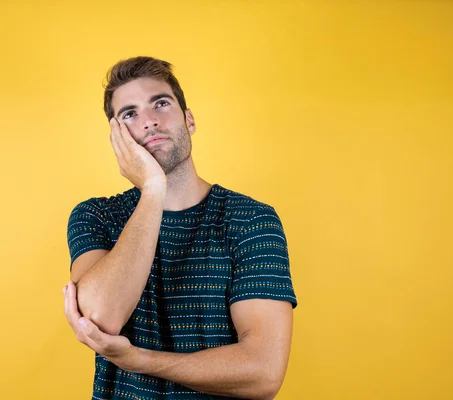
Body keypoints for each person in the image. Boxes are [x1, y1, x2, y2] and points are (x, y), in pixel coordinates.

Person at [63, 56, 298, 400]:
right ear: (116, 137)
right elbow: (100, 319)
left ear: (188, 119)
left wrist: (139, 360)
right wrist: (153, 189)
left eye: (161, 104)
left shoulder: (251, 219)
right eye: (130, 114)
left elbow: (263, 373)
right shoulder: (97, 215)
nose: (149, 122)